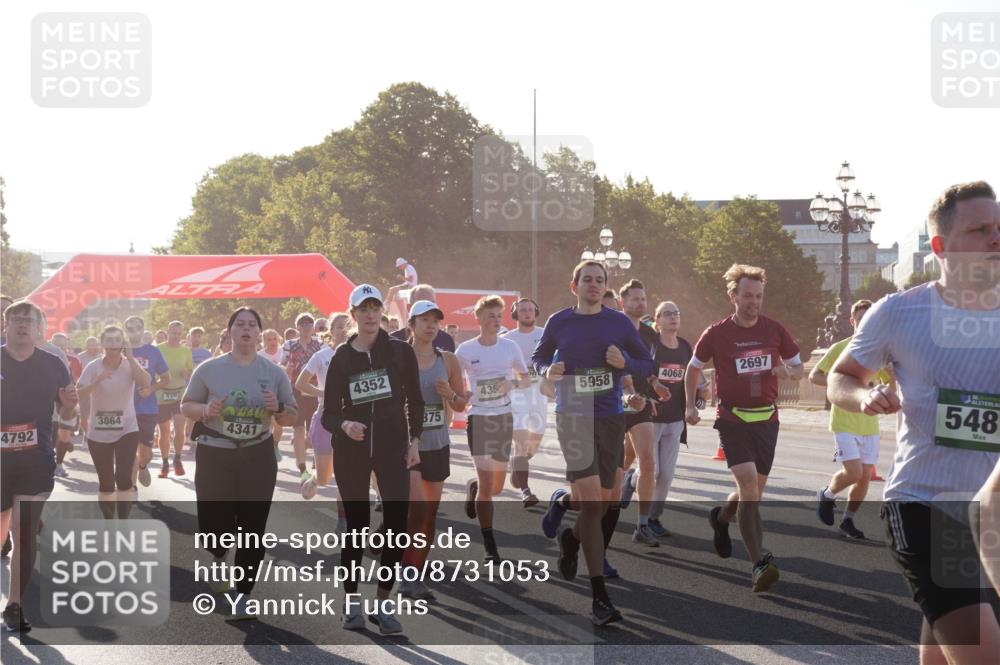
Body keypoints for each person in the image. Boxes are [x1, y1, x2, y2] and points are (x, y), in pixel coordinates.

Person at [829, 181, 1000, 664]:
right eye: (981, 229)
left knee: (947, 641)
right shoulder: (898, 313)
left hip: (992, 512)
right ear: (941, 247)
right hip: (926, 505)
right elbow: (840, 376)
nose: (996, 239)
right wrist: (864, 396)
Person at [532, 260, 655, 625]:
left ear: (605, 286)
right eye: (587, 279)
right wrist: (546, 370)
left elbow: (647, 364)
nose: (593, 285)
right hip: (573, 418)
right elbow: (538, 357)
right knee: (589, 504)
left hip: (610, 418)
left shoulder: (618, 322)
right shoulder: (559, 321)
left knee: (605, 502)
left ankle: (571, 539)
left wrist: (626, 361)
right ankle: (600, 597)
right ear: (574, 285)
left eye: (600, 280)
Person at [685, 263, 803, 593]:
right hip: (732, 418)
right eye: (748, 295)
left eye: (759, 296)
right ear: (733, 296)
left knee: (753, 493)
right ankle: (758, 563)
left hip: (766, 420)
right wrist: (688, 406)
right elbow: (692, 369)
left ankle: (722, 518)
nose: (754, 301)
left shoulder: (774, 329)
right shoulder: (716, 333)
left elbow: (799, 367)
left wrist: (788, 372)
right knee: (750, 487)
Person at [181, 307, 297, 620]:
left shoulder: (274, 372)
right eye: (240, 324)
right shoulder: (209, 369)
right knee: (214, 524)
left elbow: (292, 415)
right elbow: (186, 405)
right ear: (230, 332)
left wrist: (279, 408)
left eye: (252, 325)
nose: (246, 329)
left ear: (259, 333)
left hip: (257, 454)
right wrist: (206, 409)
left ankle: (243, 594)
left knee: (252, 527)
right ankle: (219, 556)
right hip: (215, 452)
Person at [321, 284, 422, 634]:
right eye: (362, 309)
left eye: (375, 307)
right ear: (352, 315)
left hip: (393, 446)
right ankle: (351, 604)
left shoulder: (399, 352)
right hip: (352, 449)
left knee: (397, 523)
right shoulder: (341, 358)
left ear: (382, 312)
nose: (369, 314)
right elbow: (328, 414)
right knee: (358, 527)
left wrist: (416, 439)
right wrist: (345, 424)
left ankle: (382, 603)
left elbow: (416, 399)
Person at [1, 300, 79, 632]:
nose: (22, 324)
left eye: (28, 320)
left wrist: (73, 408)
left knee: (24, 531)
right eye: (16, 319)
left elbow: (68, 414)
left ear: (39, 328)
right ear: (5, 326)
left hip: (36, 459)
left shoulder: (53, 364)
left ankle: (15, 604)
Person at [399, 301, 468, 600]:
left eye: (435, 321)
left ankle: (415, 570)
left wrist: (450, 394)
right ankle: (405, 573)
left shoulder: (449, 359)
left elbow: (461, 404)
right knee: (416, 509)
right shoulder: (398, 358)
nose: (431, 325)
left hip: (437, 443)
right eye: (424, 320)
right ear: (411, 325)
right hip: (406, 444)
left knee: (429, 514)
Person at [808, 299, 892, 539]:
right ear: (852, 321)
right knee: (854, 473)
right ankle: (827, 495)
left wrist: (891, 380)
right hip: (844, 421)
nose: (864, 322)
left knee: (865, 477)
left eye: (870, 318)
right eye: (860, 318)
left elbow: (889, 384)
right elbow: (815, 375)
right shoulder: (841, 348)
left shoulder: (880, 352)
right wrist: (842, 385)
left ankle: (848, 520)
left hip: (869, 423)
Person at [456, 295, 530, 563]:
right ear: (479, 318)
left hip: (503, 418)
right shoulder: (465, 350)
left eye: (499, 316)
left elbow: (525, 378)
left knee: (495, 487)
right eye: (491, 316)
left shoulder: (510, 347)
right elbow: (454, 378)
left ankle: (474, 485)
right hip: (478, 417)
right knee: (489, 487)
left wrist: (513, 385)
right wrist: (461, 393)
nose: (496, 321)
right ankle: (490, 544)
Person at [76, 325, 151, 519]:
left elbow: (145, 382)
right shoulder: (93, 366)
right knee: (107, 482)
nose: (112, 345)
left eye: (117, 340)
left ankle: (123, 523)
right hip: (98, 432)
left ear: (123, 344)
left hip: (127, 428)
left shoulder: (129, 364)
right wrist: (96, 382)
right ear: (102, 344)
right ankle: (109, 523)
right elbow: (79, 394)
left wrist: (132, 358)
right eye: (108, 341)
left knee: (124, 479)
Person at [615, 279, 665, 547]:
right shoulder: (611, 329)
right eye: (634, 298)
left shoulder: (648, 334)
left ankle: (642, 525)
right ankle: (596, 518)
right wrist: (627, 392)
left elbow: (648, 367)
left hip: (640, 404)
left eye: (643, 298)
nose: (640, 303)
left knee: (648, 462)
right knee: (610, 470)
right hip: (611, 403)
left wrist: (655, 389)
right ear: (623, 302)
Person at [502, 298, 547, 508]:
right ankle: (526, 491)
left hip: (539, 396)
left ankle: (518, 468)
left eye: (530, 309)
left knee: (532, 445)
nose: (527, 313)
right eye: (522, 310)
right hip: (517, 397)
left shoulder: (545, 334)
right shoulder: (508, 339)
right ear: (515, 314)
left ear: (536, 312)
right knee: (520, 445)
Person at [121, 316, 171, 489]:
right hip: (124, 408)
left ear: (142, 329)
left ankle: (143, 465)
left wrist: (150, 389)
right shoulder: (120, 350)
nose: (134, 331)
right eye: (130, 328)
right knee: (128, 450)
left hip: (147, 408)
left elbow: (166, 378)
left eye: (137, 327)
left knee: (145, 453)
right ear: (125, 330)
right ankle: (131, 486)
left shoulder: (153, 351)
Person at [283, 312, 323, 498]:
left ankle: (317, 463)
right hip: (296, 391)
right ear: (297, 326)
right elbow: (282, 367)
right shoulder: (290, 345)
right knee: (298, 429)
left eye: (309, 323)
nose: (306, 326)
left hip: (316, 390)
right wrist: (288, 369)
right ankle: (302, 467)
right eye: (303, 323)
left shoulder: (320, 344)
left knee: (315, 429)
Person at [156, 321, 193, 478]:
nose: (176, 336)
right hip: (161, 394)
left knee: (179, 428)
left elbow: (191, 373)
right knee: (164, 431)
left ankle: (177, 459)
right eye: (173, 333)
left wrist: (187, 374)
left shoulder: (186, 351)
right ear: (168, 332)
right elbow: (151, 370)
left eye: (179, 333)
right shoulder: (158, 349)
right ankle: (165, 464)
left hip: (179, 394)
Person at [390, 284, 456, 352]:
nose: (427, 307)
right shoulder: (393, 340)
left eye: (431, 303)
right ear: (409, 308)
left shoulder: (447, 341)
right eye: (420, 304)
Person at [76, 336, 102, 439]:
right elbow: (76, 374)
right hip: (84, 389)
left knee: (97, 414)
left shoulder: (102, 356)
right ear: (86, 346)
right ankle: (87, 433)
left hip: (99, 391)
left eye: (95, 344)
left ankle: (95, 435)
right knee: (84, 415)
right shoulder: (80, 357)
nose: (93, 347)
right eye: (91, 345)